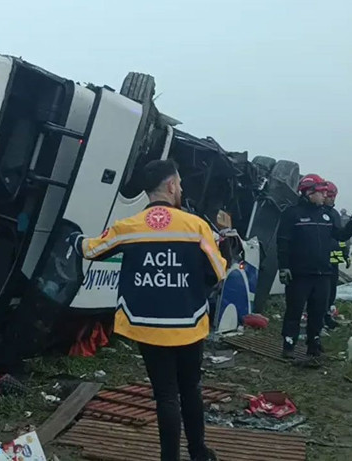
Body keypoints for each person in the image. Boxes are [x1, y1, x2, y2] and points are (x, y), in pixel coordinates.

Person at [67, 159, 225, 461]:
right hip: (189, 324)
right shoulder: (196, 227)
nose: (181, 189)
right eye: (179, 184)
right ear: (171, 186)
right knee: (190, 388)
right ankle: (199, 452)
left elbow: (90, 249)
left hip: (146, 325)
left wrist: (72, 238)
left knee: (166, 395)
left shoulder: (128, 227)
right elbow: (217, 271)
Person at [277, 174, 352, 361]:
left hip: (323, 273)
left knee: (318, 312)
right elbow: (283, 242)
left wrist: (351, 225)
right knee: (294, 311)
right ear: (309, 192)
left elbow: (339, 235)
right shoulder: (292, 214)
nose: (325, 196)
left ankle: (314, 345)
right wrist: (284, 267)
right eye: (321, 192)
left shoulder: (326, 214)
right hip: (300, 274)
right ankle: (288, 345)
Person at [323, 182, 351, 330]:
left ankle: (327, 316)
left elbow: (340, 237)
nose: (332, 199)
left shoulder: (334, 213)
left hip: (333, 261)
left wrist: (345, 254)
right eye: (330, 196)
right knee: (320, 292)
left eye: (334, 196)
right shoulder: (318, 213)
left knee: (331, 290)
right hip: (319, 261)